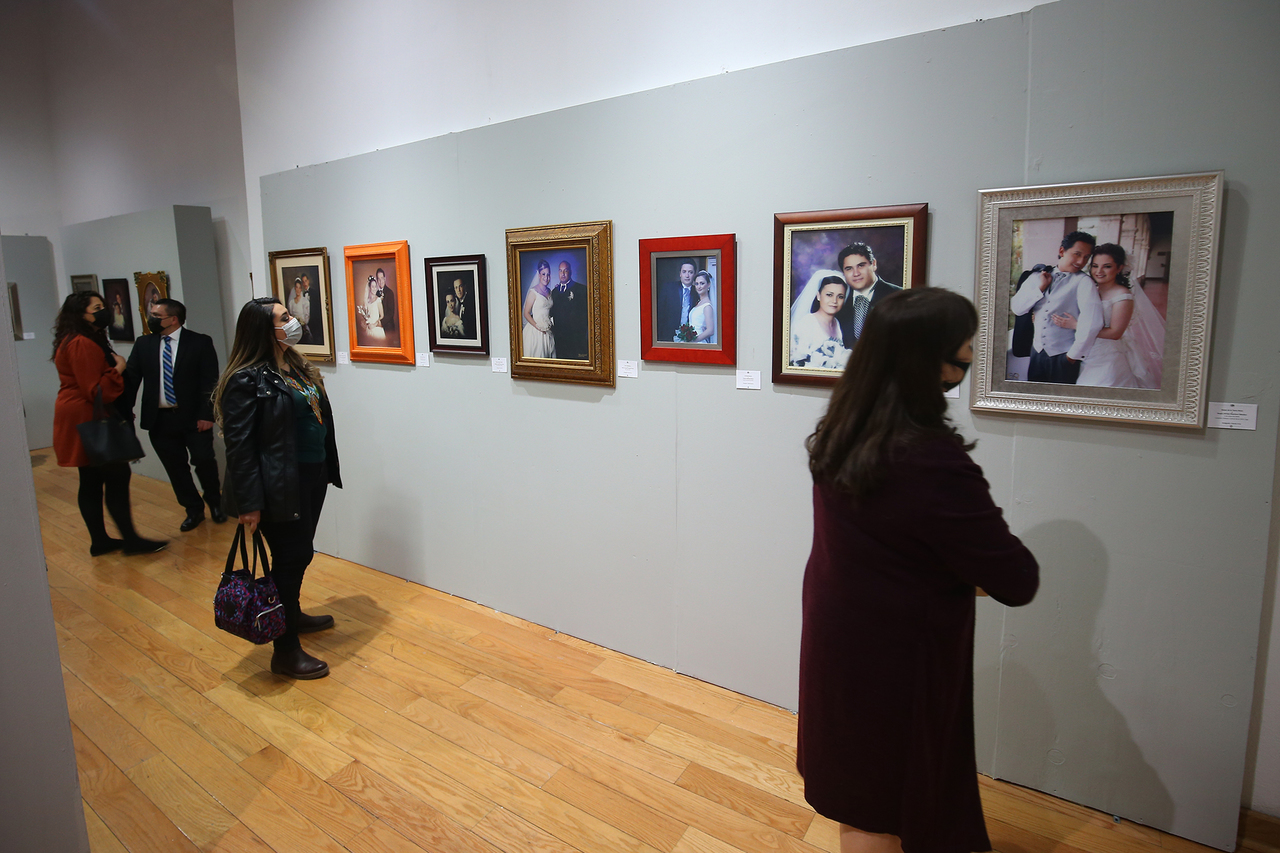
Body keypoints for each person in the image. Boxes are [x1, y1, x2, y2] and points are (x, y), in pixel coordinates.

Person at [797, 288, 1039, 853]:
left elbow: (887, 541)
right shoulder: (930, 458)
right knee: (883, 795)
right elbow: (1016, 579)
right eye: (962, 354)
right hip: (900, 656)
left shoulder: (843, 428)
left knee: (860, 791)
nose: (968, 363)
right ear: (923, 360)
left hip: (842, 633)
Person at [214, 297, 342, 679]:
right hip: (277, 485)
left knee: (298, 555)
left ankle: (291, 613)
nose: (293, 321)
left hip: (309, 476)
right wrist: (249, 504)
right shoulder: (245, 379)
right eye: (284, 318)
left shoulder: (295, 365)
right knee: (292, 556)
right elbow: (239, 447)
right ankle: (285, 651)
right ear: (262, 330)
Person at [50, 291, 167, 557]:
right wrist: (119, 367)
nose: (103, 311)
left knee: (91, 478)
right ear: (81, 314)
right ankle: (130, 541)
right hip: (88, 414)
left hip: (80, 413)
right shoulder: (81, 343)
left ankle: (101, 540)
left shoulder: (74, 339)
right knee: (115, 475)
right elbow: (95, 389)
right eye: (97, 307)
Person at [121, 298, 225, 532]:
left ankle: (215, 503)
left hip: (193, 417)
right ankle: (193, 509)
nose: (151, 319)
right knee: (176, 468)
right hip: (160, 419)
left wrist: (207, 415)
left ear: (173, 319)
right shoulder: (144, 344)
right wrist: (124, 411)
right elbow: (131, 380)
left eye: (157, 316)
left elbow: (210, 382)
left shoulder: (199, 342)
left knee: (204, 462)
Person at [1052, 243, 1164, 390]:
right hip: (1083, 353)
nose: (1099, 271)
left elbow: (1115, 333)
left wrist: (1076, 325)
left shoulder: (1122, 296)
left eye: (1107, 266)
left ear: (1119, 268)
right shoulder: (1091, 289)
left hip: (1107, 357)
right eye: (1095, 266)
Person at [1009, 230, 1103, 384]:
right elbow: (1018, 308)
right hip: (1037, 352)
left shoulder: (1084, 282)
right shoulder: (1037, 276)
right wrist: (1040, 288)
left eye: (1086, 257)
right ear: (1062, 251)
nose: (1081, 262)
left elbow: (1093, 322)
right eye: (1077, 254)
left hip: (1064, 356)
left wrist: (1072, 356)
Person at [834, 243, 901, 345]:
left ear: (874, 264)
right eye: (849, 269)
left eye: (861, 266)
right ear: (843, 272)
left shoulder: (898, 295)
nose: (856, 273)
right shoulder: (838, 301)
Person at [790, 270, 852, 370]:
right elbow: (797, 360)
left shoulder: (837, 323)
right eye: (829, 295)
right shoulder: (807, 322)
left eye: (840, 296)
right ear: (818, 296)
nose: (834, 301)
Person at [549, 259, 589, 359]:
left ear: (570, 272)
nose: (563, 273)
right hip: (560, 340)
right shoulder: (554, 292)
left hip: (576, 340)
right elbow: (551, 313)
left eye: (565, 270)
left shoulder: (581, 289)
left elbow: (586, 316)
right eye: (560, 270)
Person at [521, 260, 556, 358]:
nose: (546, 277)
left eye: (548, 274)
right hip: (536, 330)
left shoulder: (550, 291)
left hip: (548, 330)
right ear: (539, 275)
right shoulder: (533, 292)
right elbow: (526, 313)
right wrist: (538, 326)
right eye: (543, 274)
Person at [657, 259, 697, 342]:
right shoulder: (668, 288)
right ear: (680, 274)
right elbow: (660, 313)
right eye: (684, 272)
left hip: (689, 338)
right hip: (667, 336)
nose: (687, 275)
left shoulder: (697, 292)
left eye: (690, 272)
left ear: (694, 274)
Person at [688, 270, 716, 344]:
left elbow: (710, 330)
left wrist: (694, 340)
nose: (699, 287)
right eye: (697, 284)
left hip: (699, 342)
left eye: (702, 283)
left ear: (708, 284)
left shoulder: (707, 306)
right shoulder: (699, 303)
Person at [356, 274, 386, 343]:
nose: (374, 288)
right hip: (369, 329)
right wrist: (366, 323)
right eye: (372, 287)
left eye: (375, 286)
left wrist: (374, 324)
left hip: (376, 329)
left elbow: (382, 316)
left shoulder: (378, 300)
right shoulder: (367, 301)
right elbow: (367, 316)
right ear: (369, 288)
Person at [287, 276, 312, 344]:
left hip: (304, 328)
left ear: (301, 289)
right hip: (294, 328)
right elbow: (291, 314)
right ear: (295, 288)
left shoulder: (305, 301)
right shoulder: (291, 302)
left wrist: (302, 324)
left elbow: (307, 316)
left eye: (299, 288)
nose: (298, 290)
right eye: (296, 287)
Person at [375, 267, 397, 333]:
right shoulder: (376, 293)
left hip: (388, 327)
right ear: (377, 281)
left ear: (385, 279)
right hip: (377, 327)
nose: (381, 281)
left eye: (382, 278)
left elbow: (390, 313)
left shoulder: (390, 292)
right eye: (379, 279)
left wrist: (380, 323)